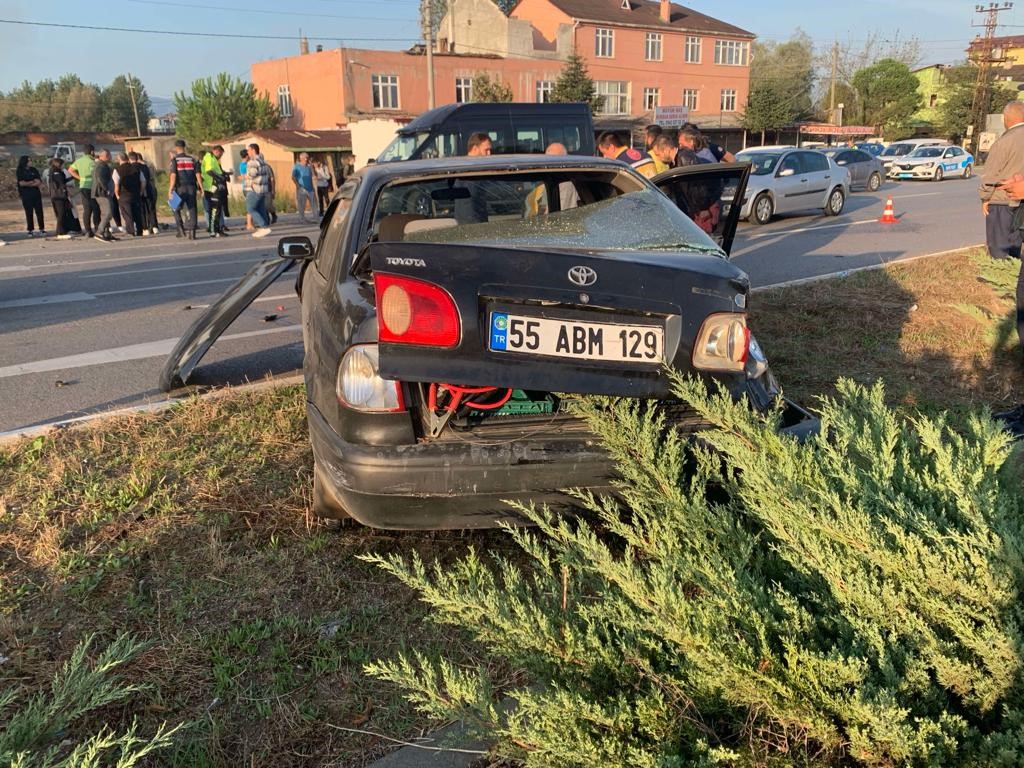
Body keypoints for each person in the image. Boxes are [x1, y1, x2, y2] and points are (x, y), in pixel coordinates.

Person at [980, 101, 1024, 261]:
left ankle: (1002, 278)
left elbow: (990, 175)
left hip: (1002, 202)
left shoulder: (1004, 142)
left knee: (999, 250)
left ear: (1005, 119)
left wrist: (985, 198)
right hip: (1021, 204)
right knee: (1015, 246)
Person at [168, 139, 200, 240]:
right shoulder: (192, 159)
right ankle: (192, 233)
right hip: (191, 187)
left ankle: (180, 229)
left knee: (174, 206)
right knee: (192, 209)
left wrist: (170, 189)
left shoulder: (174, 160)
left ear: (176, 148)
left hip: (179, 188)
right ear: (184, 147)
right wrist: (201, 188)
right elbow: (198, 175)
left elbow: (173, 176)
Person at [67, 143, 99, 238]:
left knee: (87, 210)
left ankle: (88, 231)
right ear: (92, 151)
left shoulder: (79, 161)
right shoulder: (93, 161)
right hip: (93, 187)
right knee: (96, 209)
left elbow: (70, 170)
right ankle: (97, 229)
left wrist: (80, 178)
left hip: (83, 187)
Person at [245, 142, 273, 238]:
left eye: (248, 150)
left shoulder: (252, 162)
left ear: (253, 150)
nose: (247, 152)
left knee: (251, 208)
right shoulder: (263, 162)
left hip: (254, 189)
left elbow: (252, 174)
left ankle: (264, 227)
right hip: (263, 189)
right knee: (261, 209)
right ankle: (264, 227)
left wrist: (245, 176)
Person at [201, 145, 229, 236]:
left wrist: (224, 175)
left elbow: (216, 171)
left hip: (214, 186)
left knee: (217, 209)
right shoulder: (209, 157)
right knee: (214, 210)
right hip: (211, 187)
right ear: (216, 151)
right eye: (220, 153)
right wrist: (220, 178)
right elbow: (209, 171)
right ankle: (214, 231)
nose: (221, 155)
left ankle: (216, 230)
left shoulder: (214, 159)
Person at [16, 155, 45, 237]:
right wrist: (32, 182)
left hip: (36, 194)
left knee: (39, 212)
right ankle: (30, 230)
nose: (31, 162)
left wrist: (28, 183)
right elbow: (21, 183)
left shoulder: (34, 170)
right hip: (26, 195)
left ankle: (42, 229)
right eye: (29, 161)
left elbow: (39, 182)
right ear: (25, 162)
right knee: (29, 213)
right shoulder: (20, 171)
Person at [115, 152, 143, 236]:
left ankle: (130, 231)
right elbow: (143, 181)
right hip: (136, 193)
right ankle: (139, 230)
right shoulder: (136, 168)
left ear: (119, 159)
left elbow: (116, 184)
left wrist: (117, 195)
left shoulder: (117, 170)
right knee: (137, 212)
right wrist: (140, 191)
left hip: (124, 195)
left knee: (127, 213)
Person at [92, 149, 117, 242]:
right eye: (109, 155)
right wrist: (106, 189)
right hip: (101, 192)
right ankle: (100, 232)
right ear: (104, 156)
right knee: (108, 212)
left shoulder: (103, 165)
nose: (110, 157)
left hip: (102, 192)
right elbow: (100, 178)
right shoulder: (101, 165)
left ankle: (107, 233)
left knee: (105, 213)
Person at [47, 157, 73, 239]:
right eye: (62, 164)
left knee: (63, 213)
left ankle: (64, 230)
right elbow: (61, 184)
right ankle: (60, 232)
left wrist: (72, 177)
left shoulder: (57, 172)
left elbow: (63, 181)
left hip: (58, 195)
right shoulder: (56, 173)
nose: (63, 166)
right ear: (58, 165)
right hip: (59, 196)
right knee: (61, 214)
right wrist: (66, 190)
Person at [292, 152, 317, 222]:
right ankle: (302, 218)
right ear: (301, 158)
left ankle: (316, 218)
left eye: (307, 158)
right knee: (302, 205)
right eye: (305, 158)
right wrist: (298, 186)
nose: (306, 159)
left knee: (314, 204)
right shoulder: (297, 167)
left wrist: (312, 167)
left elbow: (314, 175)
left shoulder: (309, 167)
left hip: (311, 188)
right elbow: (293, 177)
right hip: (302, 188)